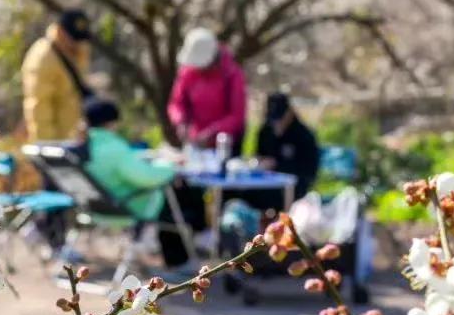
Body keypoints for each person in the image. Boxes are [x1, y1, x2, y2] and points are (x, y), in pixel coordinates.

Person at [82, 98, 176, 222]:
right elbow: (146, 177)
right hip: (126, 208)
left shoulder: (86, 145)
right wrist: (171, 164)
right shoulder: (114, 147)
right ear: (112, 123)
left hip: (96, 210)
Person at [166, 27, 247, 156]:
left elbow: (236, 116)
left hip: (225, 146)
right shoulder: (188, 72)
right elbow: (177, 103)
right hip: (195, 143)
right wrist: (180, 121)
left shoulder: (232, 75)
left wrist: (212, 132)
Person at [22, 9, 93, 143]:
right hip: (56, 142)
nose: (78, 44)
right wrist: (46, 145)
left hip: (75, 137)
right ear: (60, 31)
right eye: (73, 39)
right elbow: (39, 106)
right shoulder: (43, 58)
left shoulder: (79, 51)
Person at [256, 93, 321, 199]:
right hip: (265, 186)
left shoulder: (303, 136)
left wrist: (277, 166)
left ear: (289, 113)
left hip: (294, 188)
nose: (277, 123)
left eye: (279, 119)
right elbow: (259, 155)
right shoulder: (265, 132)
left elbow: (308, 172)